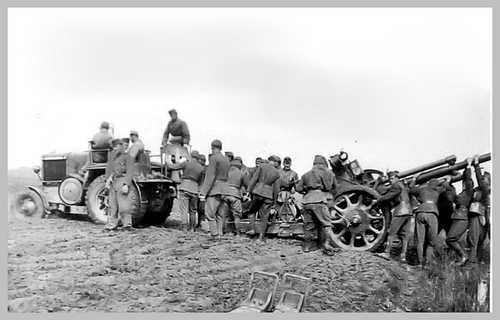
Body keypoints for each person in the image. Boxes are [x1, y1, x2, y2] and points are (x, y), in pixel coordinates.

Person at [295, 155, 337, 254]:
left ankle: (306, 247)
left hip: (307, 201)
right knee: (327, 224)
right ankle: (326, 244)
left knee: (308, 225)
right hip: (320, 200)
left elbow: (298, 188)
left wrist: (307, 190)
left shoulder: (306, 175)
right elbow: (332, 187)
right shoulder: (328, 173)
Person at [375, 171, 413, 263]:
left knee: (392, 233)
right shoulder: (403, 186)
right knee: (404, 235)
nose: (391, 181)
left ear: (396, 178)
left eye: (392, 179)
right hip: (408, 211)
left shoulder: (396, 186)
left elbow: (389, 196)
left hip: (400, 211)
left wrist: (378, 199)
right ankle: (403, 257)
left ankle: (387, 253)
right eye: (390, 179)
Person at [409, 177, 447, 268]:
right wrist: (446, 180)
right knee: (431, 241)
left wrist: (414, 179)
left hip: (420, 212)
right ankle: (428, 264)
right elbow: (445, 187)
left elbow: (411, 188)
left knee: (420, 241)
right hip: (432, 214)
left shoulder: (421, 190)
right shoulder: (437, 191)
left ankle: (419, 262)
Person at [199, 140, 230, 241]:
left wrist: (203, 192)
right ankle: (220, 233)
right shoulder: (226, 159)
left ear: (212, 147)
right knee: (220, 214)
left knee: (210, 213)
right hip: (225, 189)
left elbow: (210, 176)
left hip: (215, 189)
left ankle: (214, 234)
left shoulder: (213, 158)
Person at [246, 155, 281, 241]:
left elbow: (254, 179)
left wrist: (248, 191)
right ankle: (261, 237)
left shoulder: (262, 166)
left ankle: (252, 229)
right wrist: (275, 202)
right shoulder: (277, 173)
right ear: (275, 162)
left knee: (251, 211)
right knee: (264, 216)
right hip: (268, 195)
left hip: (258, 191)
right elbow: (276, 189)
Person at [166, 151, 205, 231]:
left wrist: (167, 162)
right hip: (194, 189)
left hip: (184, 187)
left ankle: (184, 227)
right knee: (193, 211)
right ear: (197, 158)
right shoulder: (201, 168)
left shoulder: (186, 163)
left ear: (191, 156)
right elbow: (201, 182)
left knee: (184, 209)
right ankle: (192, 228)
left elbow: (174, 167)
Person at [446, 158, 474, 266]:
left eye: (465, 183)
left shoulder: (468, 192)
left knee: (450, 239)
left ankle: (463, 256)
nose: (464, 183)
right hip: (458, 217)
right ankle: (459, 257)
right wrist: (449, 184)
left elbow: (467, 178)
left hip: (461, 219)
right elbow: (453, 197)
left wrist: (469, 165)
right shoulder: (463, 193)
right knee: (450, 239)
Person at [104, 138, 134, 231]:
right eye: (114, 147)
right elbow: (109, 169)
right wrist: (107, 180)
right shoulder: (112, 158)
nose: (115, 149)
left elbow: (130, 171)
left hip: (122, 180)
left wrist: (126, 184)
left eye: (117, 147)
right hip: (113, 182)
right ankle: (112, 225)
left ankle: (127, 225)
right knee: (112, 205)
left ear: (121, 147)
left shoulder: (128, 156)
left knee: (124, 205)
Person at [467, 155, 491, 264]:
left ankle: (472, 262)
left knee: (475, 239)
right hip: (479, 215)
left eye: (484, 178)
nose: (482, 180)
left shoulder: (484, 188)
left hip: (479, 215)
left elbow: (480, 181)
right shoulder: (479, 190)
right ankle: (477, 261)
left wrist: (476, 164)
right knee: (477, 239)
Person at [221, 156, 250, 236]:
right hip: (235, 195)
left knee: (224, 215)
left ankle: (222, 232)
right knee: (237, 215)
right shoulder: (241, 173)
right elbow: (247, 185)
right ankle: (238, 233)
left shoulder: (225, 171)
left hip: (224, 194)